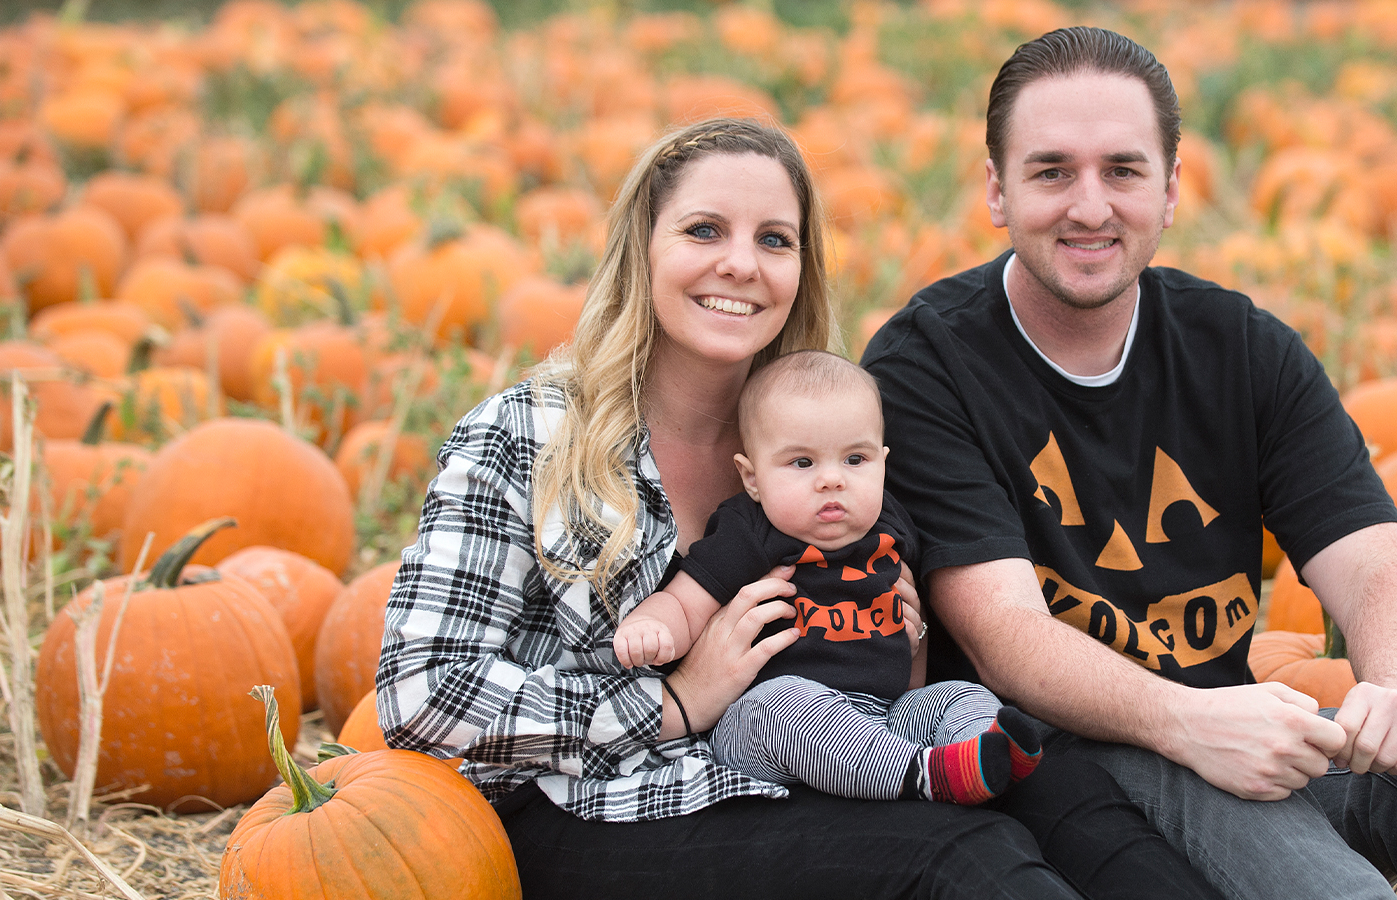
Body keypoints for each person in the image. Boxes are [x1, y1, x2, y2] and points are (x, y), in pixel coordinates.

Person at [861, 26, 1397, 900]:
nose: (1088, 206)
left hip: (1235, 730)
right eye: (1051, 172)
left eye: (1122, 170)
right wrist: (1189, 721)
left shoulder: (1242, 349)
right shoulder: (926, 366)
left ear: (1172, 189)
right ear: (996, 189)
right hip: (1071, 762)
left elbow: (1378, 562)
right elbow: (1008, 641)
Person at [376, 115, 1222, 900]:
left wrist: (910, 635)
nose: (741, 263)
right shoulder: (525, 436)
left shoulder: (825, 430)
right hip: (595, 806)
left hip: (809, 754)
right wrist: (674, 704)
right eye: (705, 230)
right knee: (952, 856)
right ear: (642, 247)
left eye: (773, 240)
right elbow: (419, 697)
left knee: (1048, 776)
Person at [612, 349, 1041, 806]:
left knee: (956, 695)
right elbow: (685, 601)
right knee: (784, 704)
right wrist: (653, 627)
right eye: (802, 463)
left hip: (883, 715)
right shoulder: (751, 532)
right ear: (752, 479)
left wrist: (915, 677)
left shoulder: (892, 527)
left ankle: (984, 751)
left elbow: (906, 627)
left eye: (855, 459)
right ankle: (924, 773)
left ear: (883, 461)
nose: (832, 480)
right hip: (765, 727)